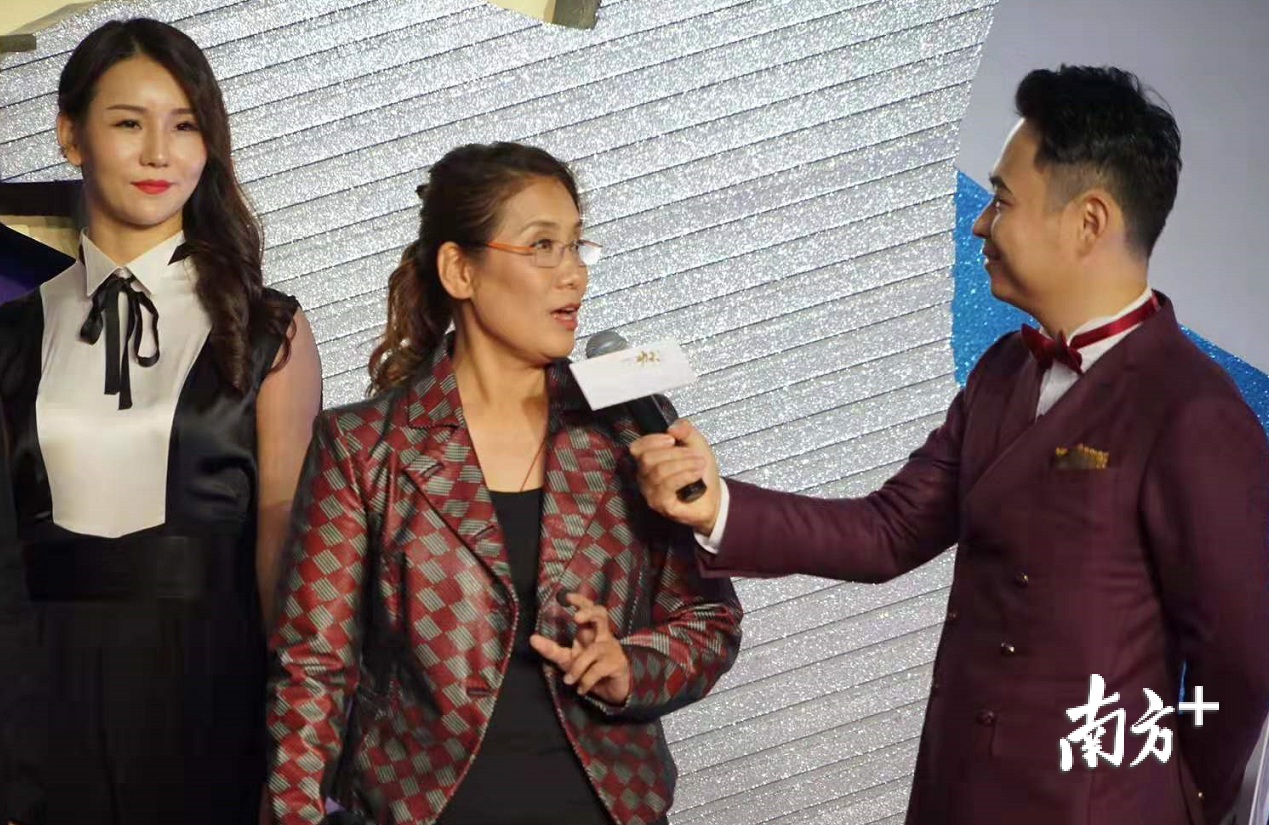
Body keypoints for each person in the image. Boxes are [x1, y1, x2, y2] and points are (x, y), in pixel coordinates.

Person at [629, 66, 1269, 825]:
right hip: (955, 790)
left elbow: (1240, 657)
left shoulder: (1191, 409)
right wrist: (715, 503)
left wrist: (1180, 801)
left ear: (1089, 221)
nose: (979, 224)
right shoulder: (1003, 370)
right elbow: (888, 530)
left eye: (1001, 200)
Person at [266, 142, 743, 825]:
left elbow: (709, 621)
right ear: (459, 269)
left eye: (576, 245)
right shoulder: (365, 446)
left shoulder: (629, 427)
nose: (573, 274)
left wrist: (629, 667)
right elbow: (313, 667)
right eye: (542, 245)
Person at [0, 18, 322, 824]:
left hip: (212, 700)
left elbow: (286, 563)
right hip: (41, 706)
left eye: (184, 126)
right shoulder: (10, 334)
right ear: (70, 136)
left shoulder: (268, 329)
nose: (158, 153)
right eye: (127, 123)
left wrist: (300, 758)